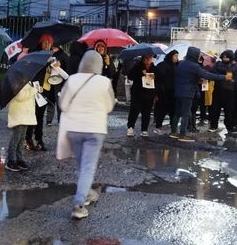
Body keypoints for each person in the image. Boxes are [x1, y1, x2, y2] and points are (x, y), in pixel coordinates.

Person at [57, 50, 115, 219]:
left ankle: (86, 192)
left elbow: (63, 104)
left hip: (74, 129)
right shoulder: (104, 82)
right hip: (95, 129)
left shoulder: (72, 79)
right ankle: (79, 203)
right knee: (88, 167)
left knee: (82, 165)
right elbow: (109, 106)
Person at [171, 47, 228, 142]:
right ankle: (182, 135)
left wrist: (196, 80)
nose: (199, 56)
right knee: (186, 113)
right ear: (194, 55)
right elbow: (207, 75)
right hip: (188, 92)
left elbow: (185, 76)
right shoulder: (194, 66)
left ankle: (173, 132)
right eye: (198, 55)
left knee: (177, 112)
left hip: (178, 91)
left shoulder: (181, 63)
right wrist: (224, 77)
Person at [25, 34, 59, 151]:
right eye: (45, 42)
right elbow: (34, 68)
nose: (47, 45)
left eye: (49, 43)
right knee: (32, 115)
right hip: (36, 88)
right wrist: (47, 61)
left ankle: (39, 139)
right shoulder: (37, 54)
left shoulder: (53, 57)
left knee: (40, 116)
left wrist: (56, 66)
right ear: (40, 43)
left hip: (47, 89)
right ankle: (28, 139)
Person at [5, 82, 39, 172]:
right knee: (16, 137)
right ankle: (11, 160)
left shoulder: (26, 80)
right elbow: (20, 96)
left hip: (25, 113)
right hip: (18, 113)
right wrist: (34, 89)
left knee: (21, 138)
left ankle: (19, 158)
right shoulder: (17, 81)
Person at [126, 54, 158, 137]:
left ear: (152, 59)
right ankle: (130, 127)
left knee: (146, 112)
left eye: (149, 58)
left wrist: (156, 94)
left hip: (149, 94)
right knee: (134, 111)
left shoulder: (154, 69)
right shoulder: (137, 67)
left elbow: (158, 82)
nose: (147, 60)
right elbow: (130, 76)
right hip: (137, 93)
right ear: (143, 59)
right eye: (146, 58)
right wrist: (140, 74)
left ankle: (144, 129)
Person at [209, 50, 237, 133]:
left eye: (227, 57)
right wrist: (224, 72)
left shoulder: (234, 65)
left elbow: (230, 72)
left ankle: (229, 126)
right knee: (215, 110)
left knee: (229, 110)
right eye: (224, 56)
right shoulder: (218, 63)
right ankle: (213, 125)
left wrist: (220, 70)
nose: (225, 58)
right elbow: (213, 72)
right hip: (218, 90)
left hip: (229, 91)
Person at [153, 50, 178, 135]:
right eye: (175, 56)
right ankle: (158, 127)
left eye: (177, 56)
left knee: (173, 111)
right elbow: (158, 80)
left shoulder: (176, 66)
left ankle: (173, 129)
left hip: (173, 92)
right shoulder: (162, 65)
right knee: (162, 110)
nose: (176, 58)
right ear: (171, 56)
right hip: (163, 92)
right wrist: (158, 92)